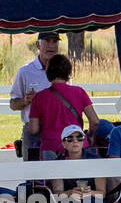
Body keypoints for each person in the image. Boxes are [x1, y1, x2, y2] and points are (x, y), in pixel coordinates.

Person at [27, 53, 101, 159]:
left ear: (48, 73)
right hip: (77, 147)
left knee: (52, 176)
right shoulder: (79, 92)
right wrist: (89, 135)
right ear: (68, 72)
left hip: (50, 148)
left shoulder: (39, 97)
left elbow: (33, 129)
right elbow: (95, 121)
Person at [8, 30, 60, 161]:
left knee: (57, 174)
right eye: (47, 41)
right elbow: (13, 104)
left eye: (55, 41)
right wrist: (26, 100)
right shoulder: (25, 71)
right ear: (38, 44)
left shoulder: (63, 70)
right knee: (32, 174)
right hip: (32, 132)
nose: (51, 46)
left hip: (56, 129)